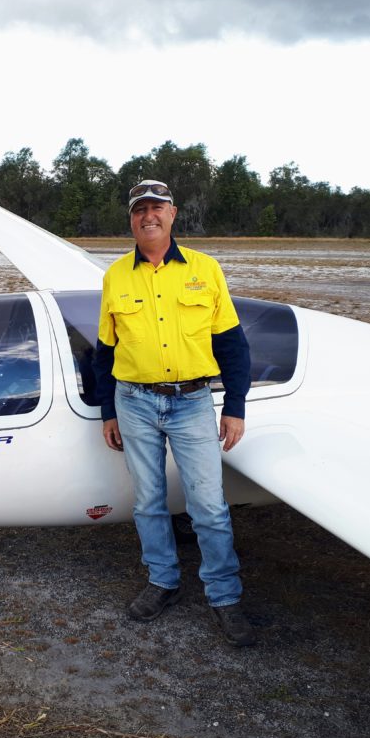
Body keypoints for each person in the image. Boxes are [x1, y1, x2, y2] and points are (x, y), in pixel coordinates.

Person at [93, 179, 255, 647]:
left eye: (157, 208)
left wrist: (236, 406)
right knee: (148, 502)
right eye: (140, 209)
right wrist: (109, 411)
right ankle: (162, 582)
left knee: (208, 505)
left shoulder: (205, 270)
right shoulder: (115, 276)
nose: (149, 216)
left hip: (192, 403)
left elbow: (231, 344)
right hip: (134, 402)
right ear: (131, 218)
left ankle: (224, 596)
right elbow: (106, 351)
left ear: (173, 213)